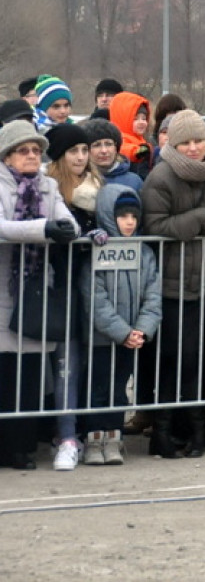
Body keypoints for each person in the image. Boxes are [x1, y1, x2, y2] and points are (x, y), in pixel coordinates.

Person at [141, 109, 205, 457]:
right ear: (174, 144)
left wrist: (201, 221)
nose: (194, 147)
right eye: (186, 142)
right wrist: (198, 219)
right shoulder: (161, 177)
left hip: (203, 284)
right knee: (170, 360)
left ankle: (197, 431)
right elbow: (155, 227)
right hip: (168, 284)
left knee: (197, 361)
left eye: (199, 140)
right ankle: (163, 433)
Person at [0, 121, 79, 470]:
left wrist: (63, 228)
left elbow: (68, 223)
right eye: (23, 150)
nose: (31, 156)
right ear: (7, 156)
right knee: (4, 370)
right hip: (4, 287)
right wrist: (42, 229)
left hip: (35, 290)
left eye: (35, 150)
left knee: (30, 375)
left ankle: (22, 449)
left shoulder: (48, 186)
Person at [78, 185, 161, 466]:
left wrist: (141, 330)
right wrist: (123, 332)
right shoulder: (96, 252)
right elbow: (95, 300)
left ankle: (114, 439)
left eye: (133, 217)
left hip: (131, 337)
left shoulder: (145, 253)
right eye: (123, 216)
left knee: (117, 389)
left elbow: (153, 295)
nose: (129, 222)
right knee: (98, 389)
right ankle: (93, 439)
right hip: (102, 338)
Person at [43, 123, 105, 470]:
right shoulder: (51, 191)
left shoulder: (99, 189)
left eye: (84, 151)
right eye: (74, 152)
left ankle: (78, 431)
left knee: (80, 364)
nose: (82, 157)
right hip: (57, 287)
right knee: (61, 366)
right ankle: (63, 434)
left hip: (90, 291)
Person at [108, 91, 154, 179]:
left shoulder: (141, 140)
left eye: (144, 118)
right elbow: (124, 149)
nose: (141, 122)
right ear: (123, 119)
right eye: (135, 119)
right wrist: (136, 152)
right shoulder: (120, 139)